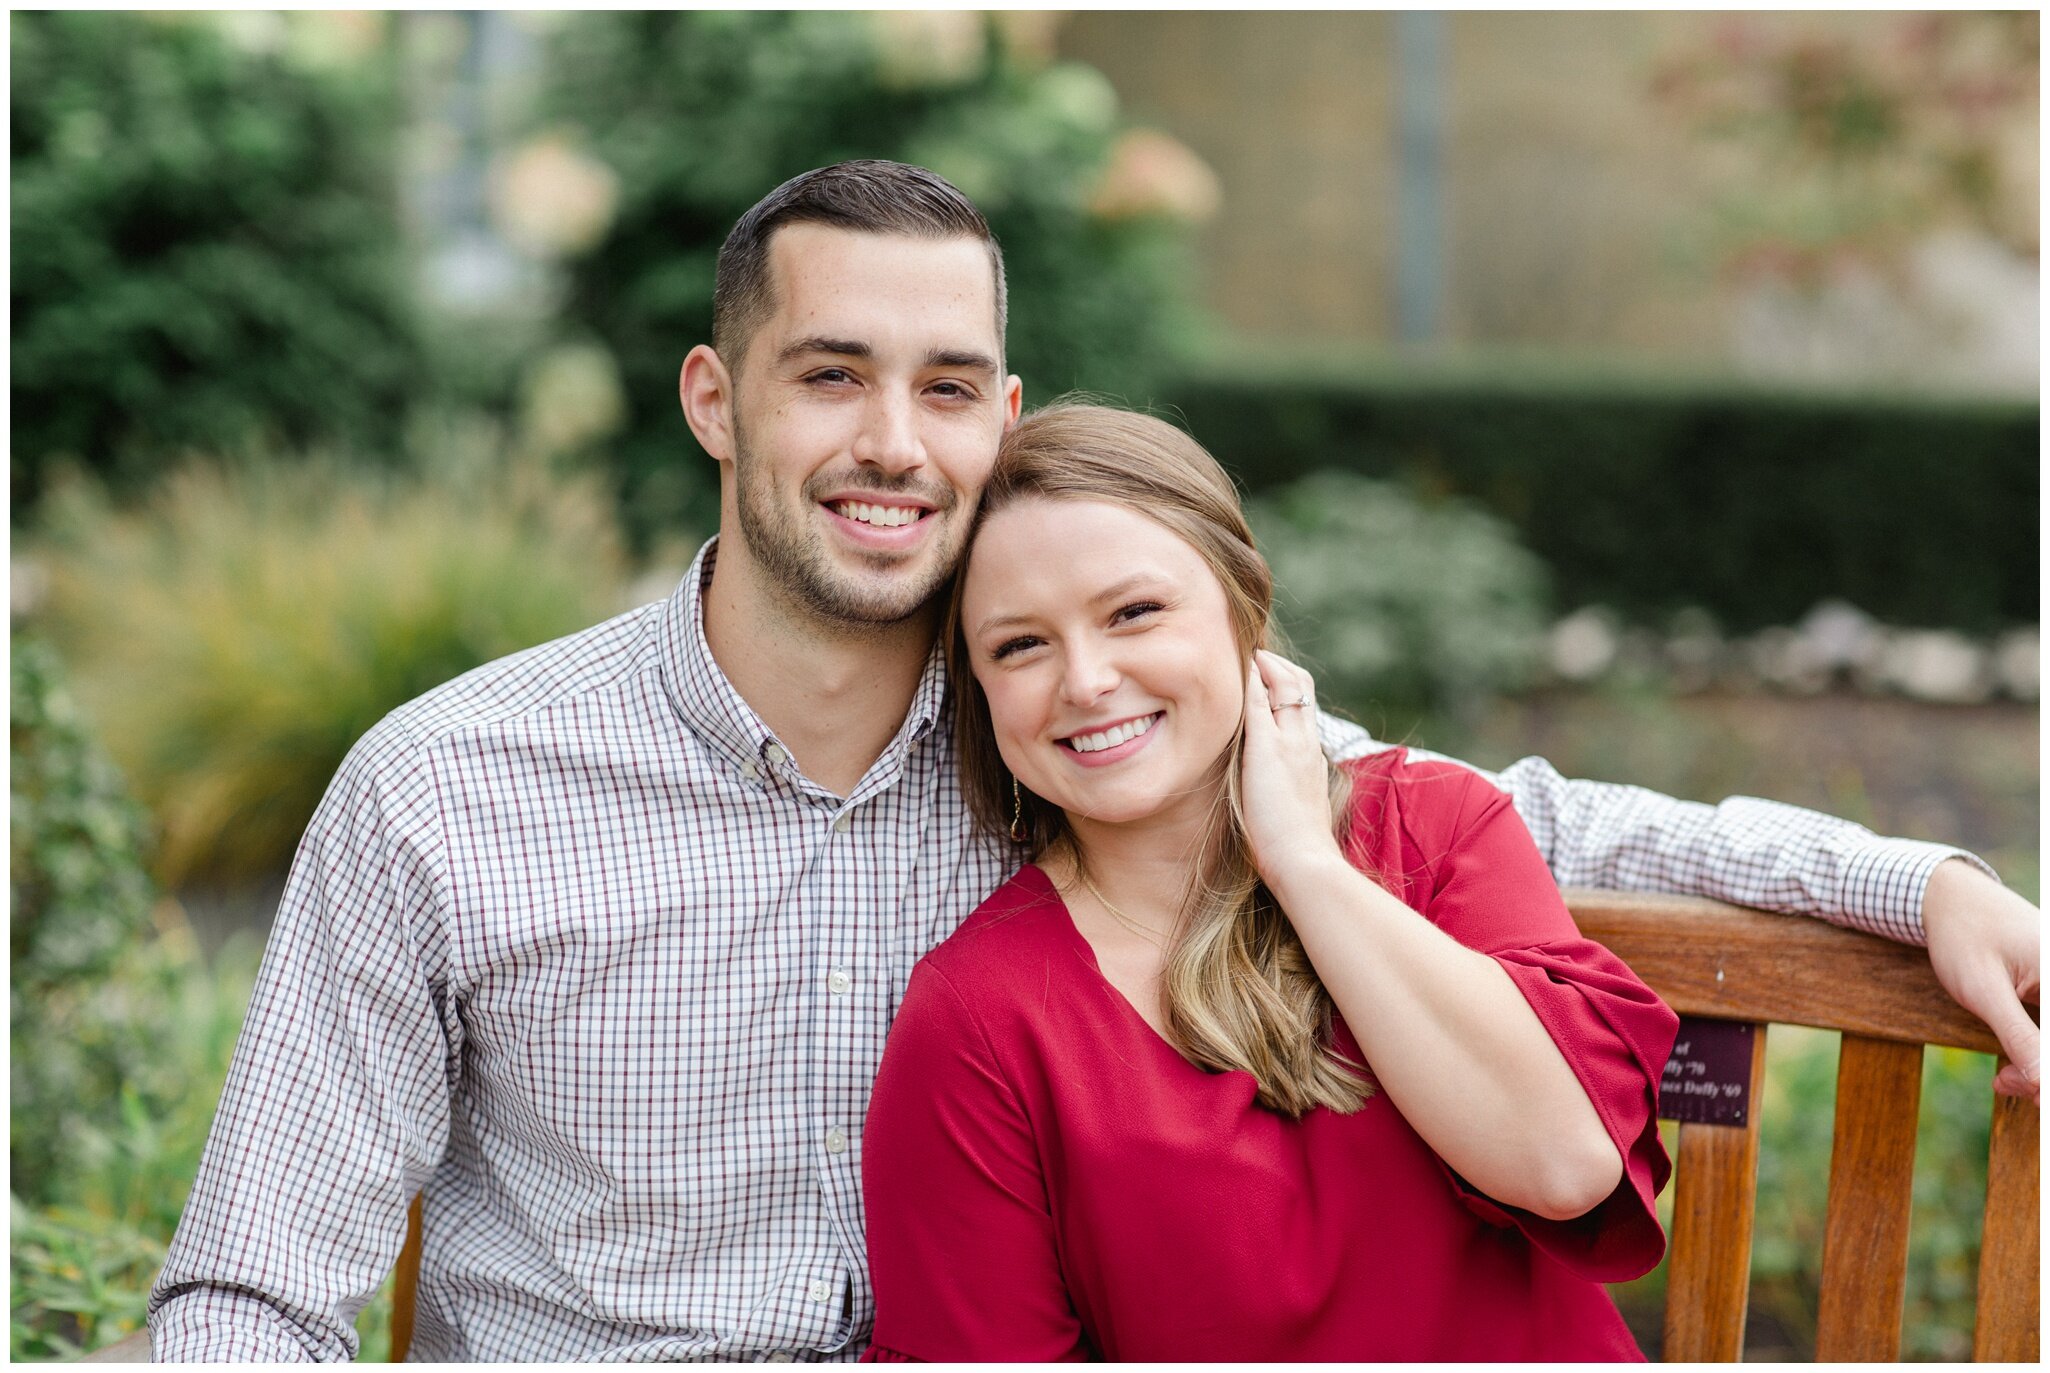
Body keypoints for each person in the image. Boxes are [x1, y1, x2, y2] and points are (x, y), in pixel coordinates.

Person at [147, 161, 2038, 1362]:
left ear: (1004, 416)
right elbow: (258, 1289)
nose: (894, 438)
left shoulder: (1075, 753)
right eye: (829, 373)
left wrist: (1916, 877)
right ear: (715, 399)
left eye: (947, 384)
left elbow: (1500, 813)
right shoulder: (451, 787)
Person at [863, 402, 1678, 1360]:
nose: (1084, 679)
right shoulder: (982, 1017)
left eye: (1134, 612)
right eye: (1019, 645)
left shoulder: (1435, 830)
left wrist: (1301, 865)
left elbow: (1565, 1161)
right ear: (980, 691)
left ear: (1242, 607)